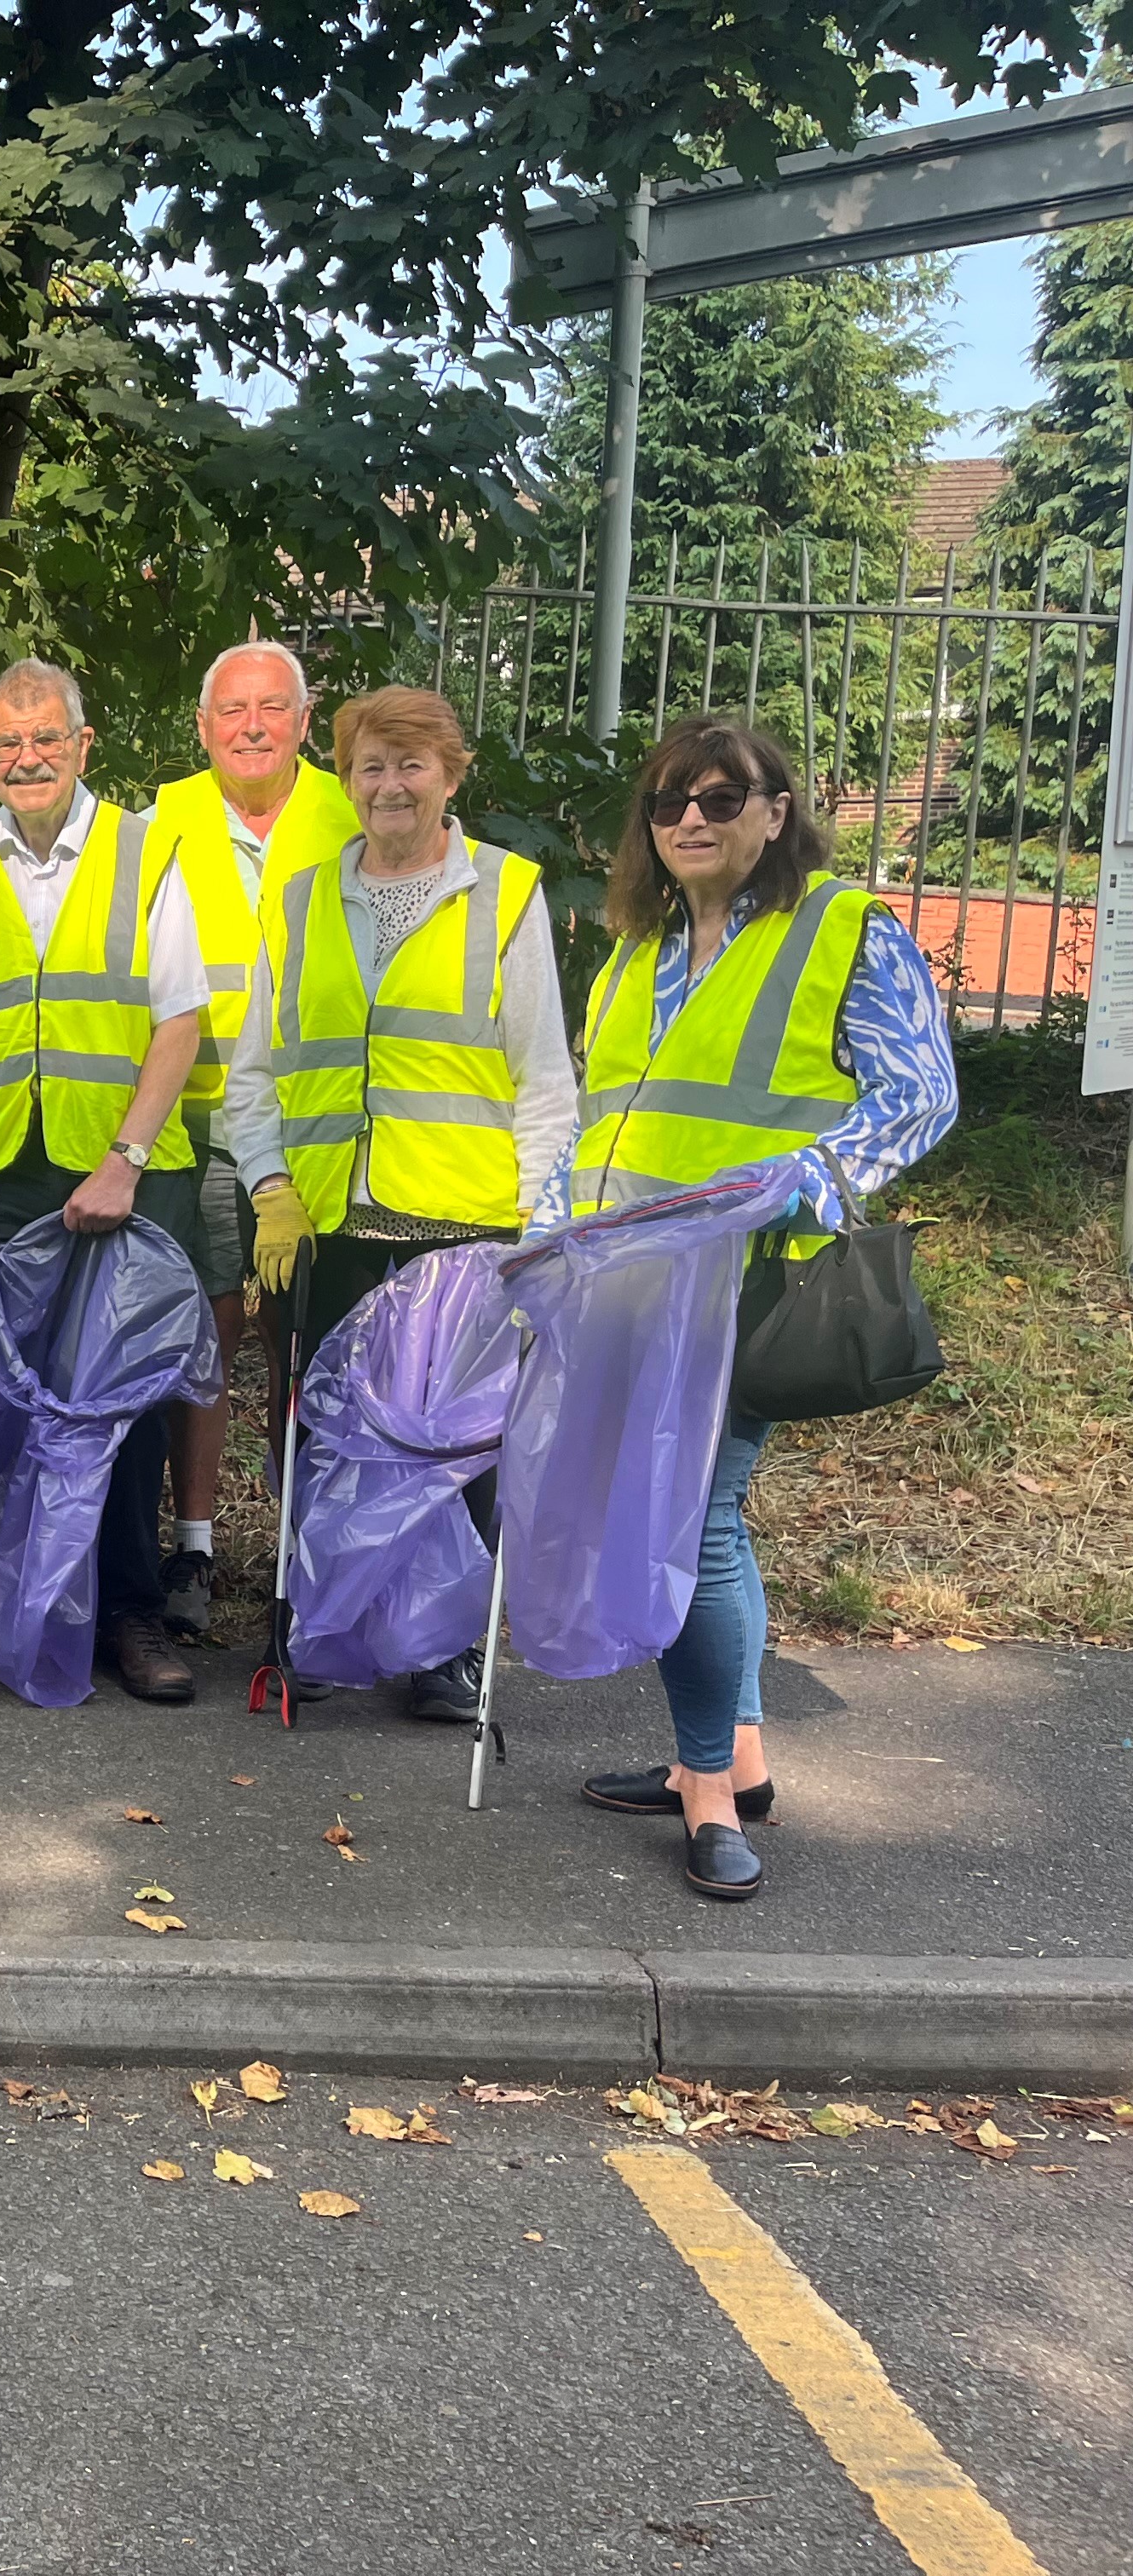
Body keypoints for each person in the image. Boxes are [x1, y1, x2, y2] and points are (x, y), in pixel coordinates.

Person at [559, 716, 956, 1902]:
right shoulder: (637, 951)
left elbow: (920, 1095)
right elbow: (605, 1125)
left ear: (776, 813)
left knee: (694, 1520)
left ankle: (710, 1797)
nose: (691, 818)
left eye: (723, 798)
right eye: (671, 800)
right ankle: (740, 1759)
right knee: (707, 1514)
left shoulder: (844, 932)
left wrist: (811, 1179)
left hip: (747, 1278)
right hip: (628, 1282)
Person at [221, 682, 576, 1720]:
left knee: (451, 1442)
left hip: (462, 1223)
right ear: (345, 778)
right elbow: (254, 1076)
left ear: (452, 777)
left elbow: (546, 1082)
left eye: (411, 765)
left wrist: (540, 1228)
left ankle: (445, 1650)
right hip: (322, 1221)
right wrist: (270, 1187)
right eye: (370, 766)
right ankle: (320, 1619)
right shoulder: (298, 900)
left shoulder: (505, 894)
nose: (389, 786)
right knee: (320, 1426)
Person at [0, 658, 215, 1705]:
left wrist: (123, 1158)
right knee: (11, 1392)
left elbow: (182, 1018)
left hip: (114, 1165)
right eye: (7, 742)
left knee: (117, 1398)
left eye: (47, 738)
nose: (27, 757)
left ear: (84, 746)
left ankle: (127, 1610)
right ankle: (12, 1593)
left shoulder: (145, 852)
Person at [141, 641, 357, 1639]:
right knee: (202, 1349)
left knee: (306, 1356)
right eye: (232, 710)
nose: (253, 726)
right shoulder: (157, 825)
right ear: (202, 726)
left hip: (316, 1138)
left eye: (273, 708)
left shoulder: (355, 813)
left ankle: (297, 1564)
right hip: (193, 1132)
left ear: (306, 722)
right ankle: (192, 1552)